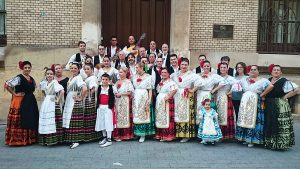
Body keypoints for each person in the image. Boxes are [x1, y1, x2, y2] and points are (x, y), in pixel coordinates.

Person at [236, 65, 274, 147]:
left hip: (255, 102)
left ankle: (252, 140)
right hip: (245, 103)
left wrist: (263, 94)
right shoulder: (244, 80)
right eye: (251, 69)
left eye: (255, 69)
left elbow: (271, 86)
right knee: (245, 119)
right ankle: (244, 138)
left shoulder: (262, 80)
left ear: (258, 71)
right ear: (249, 71)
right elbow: (237, 87)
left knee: (254, 120)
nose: (253, 71)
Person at [4, 61, 39, 146]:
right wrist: (14, 94)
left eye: (28, 67)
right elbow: (7, 85)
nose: (27, 69)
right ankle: (18, 140)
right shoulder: (19, 78)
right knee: (21, 119)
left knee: (30, 118)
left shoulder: (31, 78)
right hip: (20, 101)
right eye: (25, 68)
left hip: (30, 101)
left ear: (31, 68)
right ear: (22, 69)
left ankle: (29, 139)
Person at [264, 64, 298, 150]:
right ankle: (270, 142)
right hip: (268, 104)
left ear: (281, 72)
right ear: (271, 72)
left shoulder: (284, 81)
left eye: (278, 70)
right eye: (274, 70)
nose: (276, 71)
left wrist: (285, 97)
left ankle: (280, 144)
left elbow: (296, 90)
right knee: (270, 122)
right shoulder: (268, 80)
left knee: (279, 124)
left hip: (280, 104)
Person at [171, 58, 198, 142]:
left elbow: (200, 82)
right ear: (179, 65)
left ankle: (187, 135)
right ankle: (179, 134)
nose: (184, 66)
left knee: (187, 114)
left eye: (186, 64)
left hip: (187, 96)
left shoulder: (192, 74)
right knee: (178, 114)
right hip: (177, 96)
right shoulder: (174, 75)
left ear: (188, 65)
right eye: (182, 64)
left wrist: (192, 90)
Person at [63, 62, 87, 149]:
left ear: (78, 69)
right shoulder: (71, 78)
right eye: (72, 68)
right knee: (70, 119)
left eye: (75, 68)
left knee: (74, 120)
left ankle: (76, 140)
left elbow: (84, 89)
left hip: (74, 102)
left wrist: (80, 98)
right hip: (69, 100)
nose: (73, 69)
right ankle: (71, 139)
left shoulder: (78, 78)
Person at [38, 68, 65, 146]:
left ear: (53, 75)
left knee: (53, 120)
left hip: (52, 102)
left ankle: (56, 140)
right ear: (45, 75)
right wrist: (46, 97)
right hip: (46, 102)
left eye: (51, 74)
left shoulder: (54, 82)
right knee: (46, 119)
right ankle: (46, 139)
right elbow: (43, 91)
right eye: (48, 74)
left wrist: (58, 100)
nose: (49, 75)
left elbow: (62, 91)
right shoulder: (45, 83)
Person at [215, 63, 241, 140]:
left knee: (225, 116)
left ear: (227, 69)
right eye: (221, 67)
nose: (223, 69)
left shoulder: (230, 78)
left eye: (224, 67)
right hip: (217, 97)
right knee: (218, 115)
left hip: (225, 98)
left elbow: (237, 86)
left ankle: (225, 135)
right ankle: (217, 134)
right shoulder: (217, 77)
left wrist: (229, 93)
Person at [132, 62, 155, 143]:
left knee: (143, 114)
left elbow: (150, 89)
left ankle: (143, 134)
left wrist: (149, 100)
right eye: (136, 68)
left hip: (144, 96)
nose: (136, 69)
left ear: (142, 67)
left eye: (137, 68)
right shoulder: (134, 76)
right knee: (137, 114)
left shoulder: (148, 77)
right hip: (136, 97)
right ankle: (137, 133)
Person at [155, 68, 178, 141]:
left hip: (166, 101)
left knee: (166, 117)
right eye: (162, 72)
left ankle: (167, 135)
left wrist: (168, 96)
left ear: (168, 74)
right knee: (160, 116)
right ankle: (161, 134)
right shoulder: (161, 81)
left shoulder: (171, 82)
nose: (163, 74)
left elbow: (174, 89)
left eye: (165, 72)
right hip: (160, 100)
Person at [113, 68, 135, 141]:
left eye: (121, 72)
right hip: (118, 101)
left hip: (125, 100)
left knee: (125, 116)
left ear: (125, 73)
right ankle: (118, 135)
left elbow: (130, 92)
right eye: (119, 72)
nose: (120, 74)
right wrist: (116, 93)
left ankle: (126, 135)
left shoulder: (128, 82)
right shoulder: (117, 82)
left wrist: (121, 94)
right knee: (118, 117)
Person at [95, 73, 116, 147]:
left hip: (108, 107)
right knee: (102, 122)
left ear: (109, 80)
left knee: (108, 122)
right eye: (103, 79)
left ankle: (109, 139)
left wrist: (111, 105)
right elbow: (98, 97)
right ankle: (104, 137)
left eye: (106, 79)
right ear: (101, 80)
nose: (104, 81)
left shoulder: (111, 88)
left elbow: (115, 96)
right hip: (101, 107)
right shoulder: (99, 87)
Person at [83, 63, 101, 142]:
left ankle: (92, 136)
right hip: (88, 98)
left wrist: (88, 95)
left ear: (92, 70)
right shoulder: (88, 77)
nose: (86, 70)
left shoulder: (93, 78)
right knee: (88, 117)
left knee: (90, 116)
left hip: (90, 99)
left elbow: (94, 88)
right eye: (85, 69)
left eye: (88, 69)